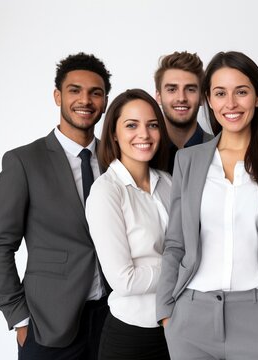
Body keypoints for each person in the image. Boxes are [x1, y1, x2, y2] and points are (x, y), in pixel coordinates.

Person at [156, 51, 258, 360]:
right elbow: (175, 242)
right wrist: (166, 312)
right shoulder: (188, 160)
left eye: (241, 92)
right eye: (220, 93)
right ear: (209, 100)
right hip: (190, 319)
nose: (231, 103)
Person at [0, 52, 112, 359]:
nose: (85, 100)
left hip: (112, 318)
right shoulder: (24, 161)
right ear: (58, 96)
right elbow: (0, 245)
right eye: (75, 90)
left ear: (106, 101)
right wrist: (18, 316)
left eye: (95, 93)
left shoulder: (116, 159)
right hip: (48, 324)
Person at [86, 89, 171, 360]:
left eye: (152, 125)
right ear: (113, 133)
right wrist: (182, 268)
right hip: (131, 336)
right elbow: (124, 280)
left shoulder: (169, 183)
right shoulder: (106, 191)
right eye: (131, 125)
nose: (144, 134)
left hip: (176, 328)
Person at [154, 51, 214, 174]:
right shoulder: (143, 151)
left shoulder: (219, 151)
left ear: (202, 97)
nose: (181, 98)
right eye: (172, 89)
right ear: (158, 96)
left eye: (190, 89)